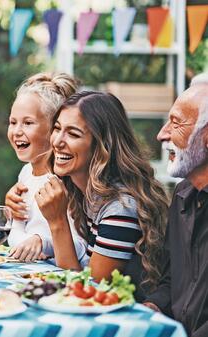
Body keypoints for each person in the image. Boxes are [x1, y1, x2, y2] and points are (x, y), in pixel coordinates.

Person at [34, 91, 168, 302]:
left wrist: (57, 221)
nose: (57, 141)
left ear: (102, 145)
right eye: (57, 128)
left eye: (73, 134)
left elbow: (87, 293)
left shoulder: (121, 206)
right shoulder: (87, 194)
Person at [144, 74, 208, 337]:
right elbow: (172, 281)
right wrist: (153, 305)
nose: (162, 135)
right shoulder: (183, 193)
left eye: (176, 124)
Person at [4, 73, 87, 264]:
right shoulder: (25, 173)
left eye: (28, 123)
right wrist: (12, 217)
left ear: (53, 128)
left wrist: (42, 242)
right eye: (13, 122)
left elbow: (82, 246)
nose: (17, 131)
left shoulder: (67, 179)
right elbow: (14, 237)